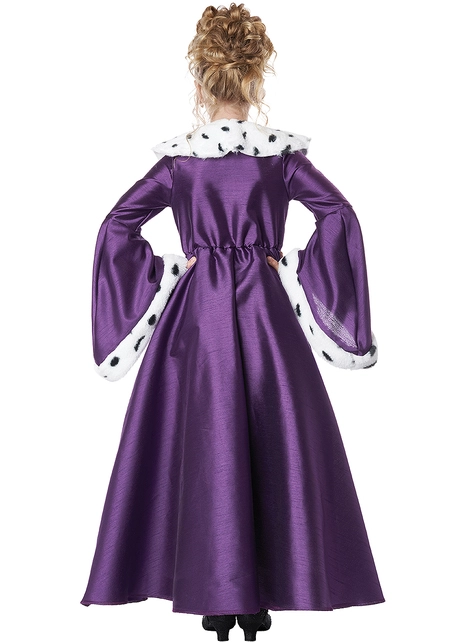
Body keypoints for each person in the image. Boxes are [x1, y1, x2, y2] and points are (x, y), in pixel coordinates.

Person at [80, 3, 385, 640]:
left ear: (200, 83)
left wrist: (172, 269)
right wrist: (291, 269)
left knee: (202, 441)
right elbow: (339, 214)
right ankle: (259, 595)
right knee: (274, 437)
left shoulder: (179, 164)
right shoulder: (281, 160)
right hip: (268, 319)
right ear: (256, 80)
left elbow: (116, 226)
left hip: (195, 323)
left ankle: (215, 596)